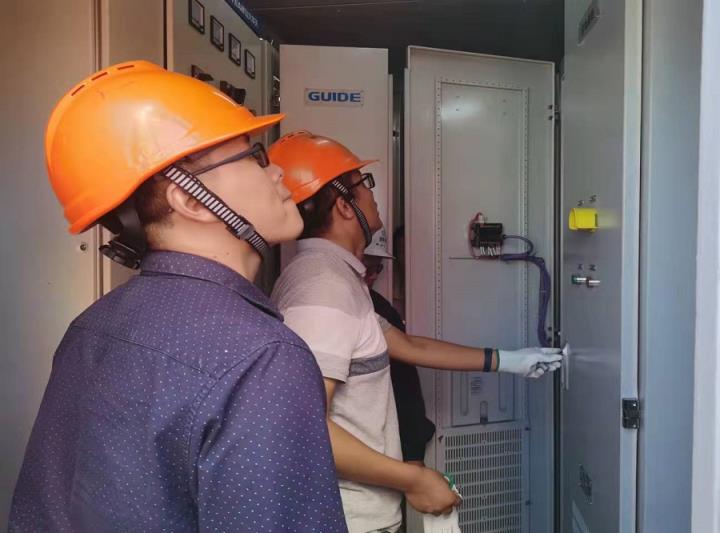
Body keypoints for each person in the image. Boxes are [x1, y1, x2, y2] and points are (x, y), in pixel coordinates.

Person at [9, 62, 346, 532]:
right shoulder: (262, 357)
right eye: (254, 157)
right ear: (190, 200)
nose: (277, 172)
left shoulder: (92, 325)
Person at [269, 131, 561, 533]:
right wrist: (415, 479)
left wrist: (510, 360)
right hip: (349, 519)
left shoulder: (332, 277)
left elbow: (405, 344)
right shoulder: (323, 290)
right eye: (364, 184)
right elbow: (304, 424)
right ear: (344, 205)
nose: (373, 196)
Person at [363, 228, 435, 467]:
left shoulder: (380, 308)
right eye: (367, 267)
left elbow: (405, 386)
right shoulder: (351, 304)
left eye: (378, 268)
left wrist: (413, 453)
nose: (373, 275)